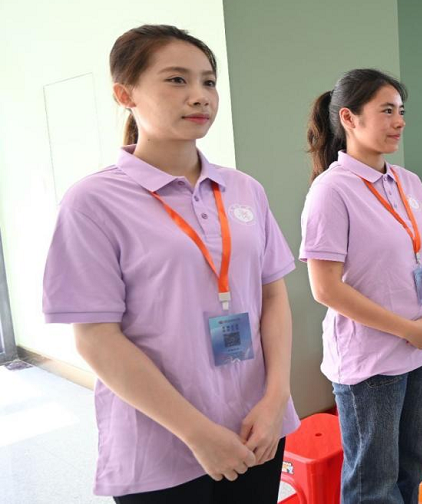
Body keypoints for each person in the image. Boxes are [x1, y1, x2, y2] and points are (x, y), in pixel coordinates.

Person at [43, 25, 299, 503]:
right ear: (125, 94)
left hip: (256, 425)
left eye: (208, 81)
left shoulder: (244, 189)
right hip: (161, 445)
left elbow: (272, 294)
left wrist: (275, 398)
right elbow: (96, 337)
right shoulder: (93, 201)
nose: (200, 96)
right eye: (177, 79)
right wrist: (197, 433)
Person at [300, 69, 422, 503]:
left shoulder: (408, 181)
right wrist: (407, 329)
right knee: (374, 482)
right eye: (386, 111)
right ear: (349, 118)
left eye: (401, 111)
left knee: (413, 467)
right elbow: (326, 289)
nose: (399, 121)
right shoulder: (332, 190)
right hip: (371, 360)